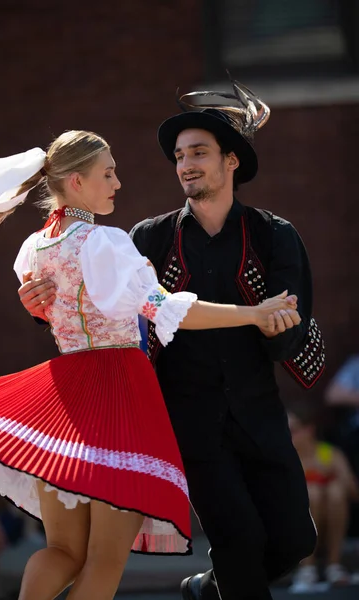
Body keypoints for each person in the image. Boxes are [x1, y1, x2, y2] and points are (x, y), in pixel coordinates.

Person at [18, 81, 324, 600]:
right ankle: (225, 580)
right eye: (180, 155)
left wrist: (279, 324)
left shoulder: (275, 234)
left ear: (232, 162)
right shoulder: (146, 238)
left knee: (295, 539)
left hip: (259, 413)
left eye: (199, 153)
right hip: (184, 418)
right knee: (238, 540)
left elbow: (291, 317)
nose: (185, 164)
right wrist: (37, 307)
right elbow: (101, 304)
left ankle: (208, 589)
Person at [0, 130, 293, 600]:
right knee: (105, 561)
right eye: (108, 173)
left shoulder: (33, 248)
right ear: (76, 182)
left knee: (62, 551)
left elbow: (54, 307)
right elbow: (167, 308)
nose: (118, 182)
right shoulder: (106, 242)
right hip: (118, 398)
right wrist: (253, 314)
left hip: (64, 403)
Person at [288, 407, 359, 590]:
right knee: (312, 492)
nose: (288, 435)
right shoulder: (286, 457)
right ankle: (307, 568)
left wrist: (336, 476)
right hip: (294, 527)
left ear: (309, 429)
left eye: (293, 430)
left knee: (335, 490)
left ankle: (333, 566)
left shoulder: (328, 453)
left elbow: (353, 493)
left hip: (331, 522)